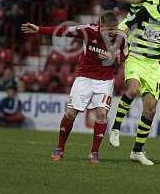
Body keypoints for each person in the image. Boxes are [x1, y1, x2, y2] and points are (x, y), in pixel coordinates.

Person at [21, 11, 126, 164]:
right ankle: (59, 148)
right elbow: (64, 31)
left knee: (102, 115)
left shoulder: (121, 38)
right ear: (100, 26)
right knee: (71, 113)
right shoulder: (88, 31)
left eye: (114, 29)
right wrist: (39, 29)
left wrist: (114, 58)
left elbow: (124, 55)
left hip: (105, 80)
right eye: (109, 29)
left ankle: (94, 153)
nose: (112, 33)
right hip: (84, 77)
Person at [109, 0, 160, 165]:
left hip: (153, 65)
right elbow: (127, 24)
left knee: (150, 109)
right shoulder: (148, 9)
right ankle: (115, 128)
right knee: (133, 89)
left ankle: (137, 151)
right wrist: (119, 46)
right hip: (136, 57)